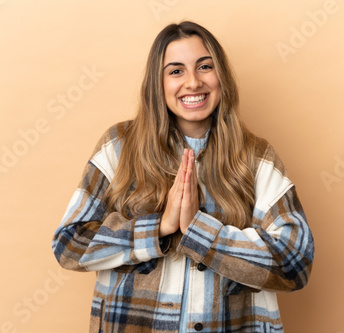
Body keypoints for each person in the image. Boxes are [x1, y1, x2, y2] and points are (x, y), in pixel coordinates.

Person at [52, 21, 314, 333]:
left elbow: (295, 262)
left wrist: (201, 233)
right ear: (157, 83)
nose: (193, 82)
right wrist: (158, 228)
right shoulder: (119, 146)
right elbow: (69, 243)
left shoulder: (256, 157)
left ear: (221, 77)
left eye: (205, 66)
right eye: (176, 71)